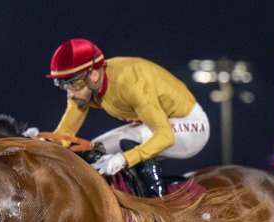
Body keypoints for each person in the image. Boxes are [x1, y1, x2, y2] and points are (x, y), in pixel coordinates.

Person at [46, 38, 210, 198]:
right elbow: (64, 134)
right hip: (159, 125)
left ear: (94, 75)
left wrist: (124, 159)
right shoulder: (84, 88)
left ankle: (160, 205)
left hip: (191, 125)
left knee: (129, 143)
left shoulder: (130, 84)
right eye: (63, 85)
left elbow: (164, 135)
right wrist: (38, 145)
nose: (70, 94)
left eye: (73, 84)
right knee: (95, 149)